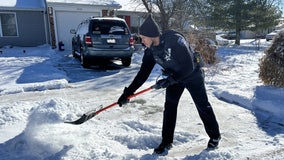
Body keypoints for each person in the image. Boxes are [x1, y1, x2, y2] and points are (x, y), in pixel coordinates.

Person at [117, 14, 221, 154]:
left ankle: (215, 136)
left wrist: (170, 80)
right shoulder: (150, 52)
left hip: (192, 75)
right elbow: (142, 75)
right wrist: (128, 92)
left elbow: (188, 65)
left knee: (202, 105)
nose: (142, 42)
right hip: (174, 77)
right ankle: (167, 141)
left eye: (143, 38)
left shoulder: (175, 40)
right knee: (170, 107)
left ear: (151, 35)